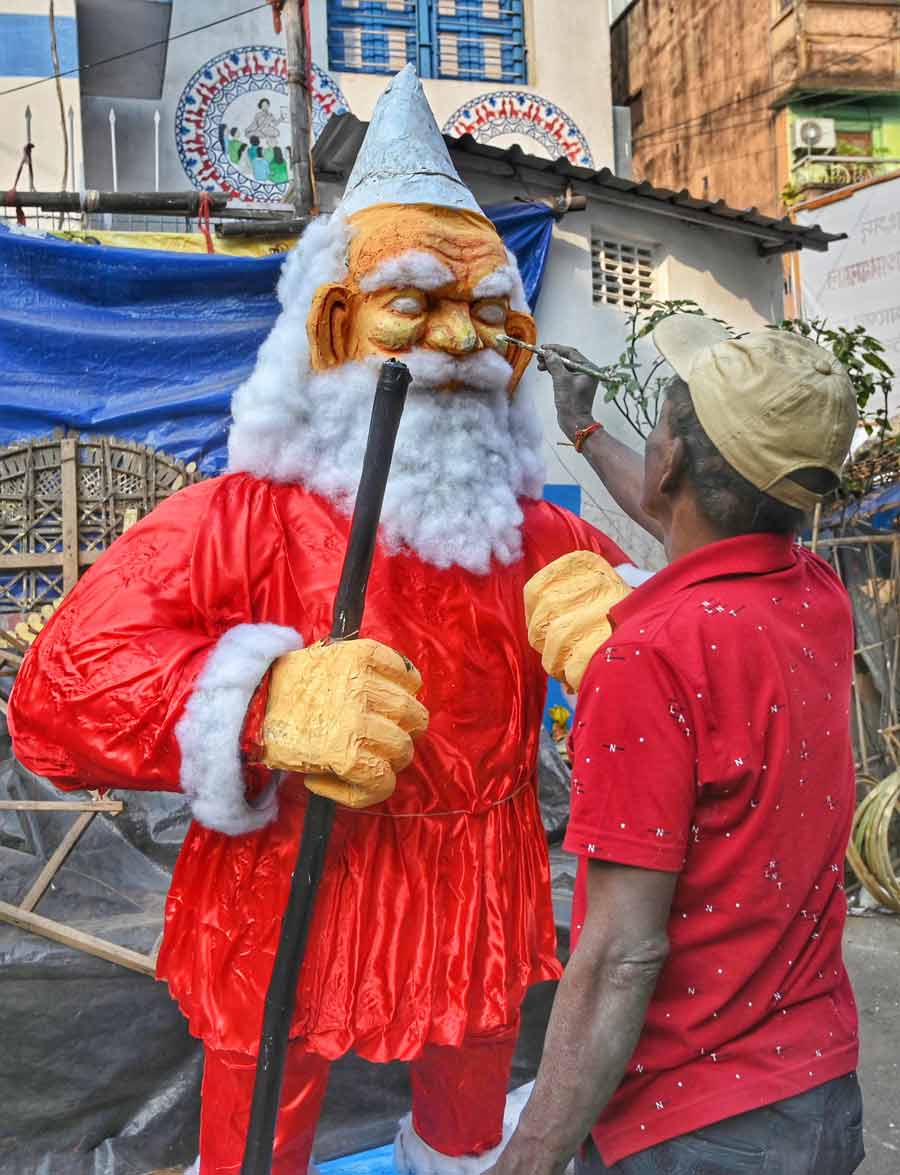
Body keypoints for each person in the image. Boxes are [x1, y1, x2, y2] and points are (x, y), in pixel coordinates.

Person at [8, 66, 644, 1175]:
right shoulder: (242, 517)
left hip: (476, 882)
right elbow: (59, 688)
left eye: (489, 312)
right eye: (417, 303)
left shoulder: (538, 536)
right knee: (260, 1115)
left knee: (467, 1118)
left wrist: (637, 641)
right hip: (289, 878)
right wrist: (259, 698)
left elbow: (692, 674)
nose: (459, 340)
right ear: (336, 321)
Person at [487, 316, 864, 1174]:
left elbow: (623, 950)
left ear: (672, 467)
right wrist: (584, 429)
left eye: (656, 431)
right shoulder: (814, 595)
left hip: (692, 1127)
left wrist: (531, 1153)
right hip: (818, 1094)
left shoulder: (651, 656)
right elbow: (687, 524)